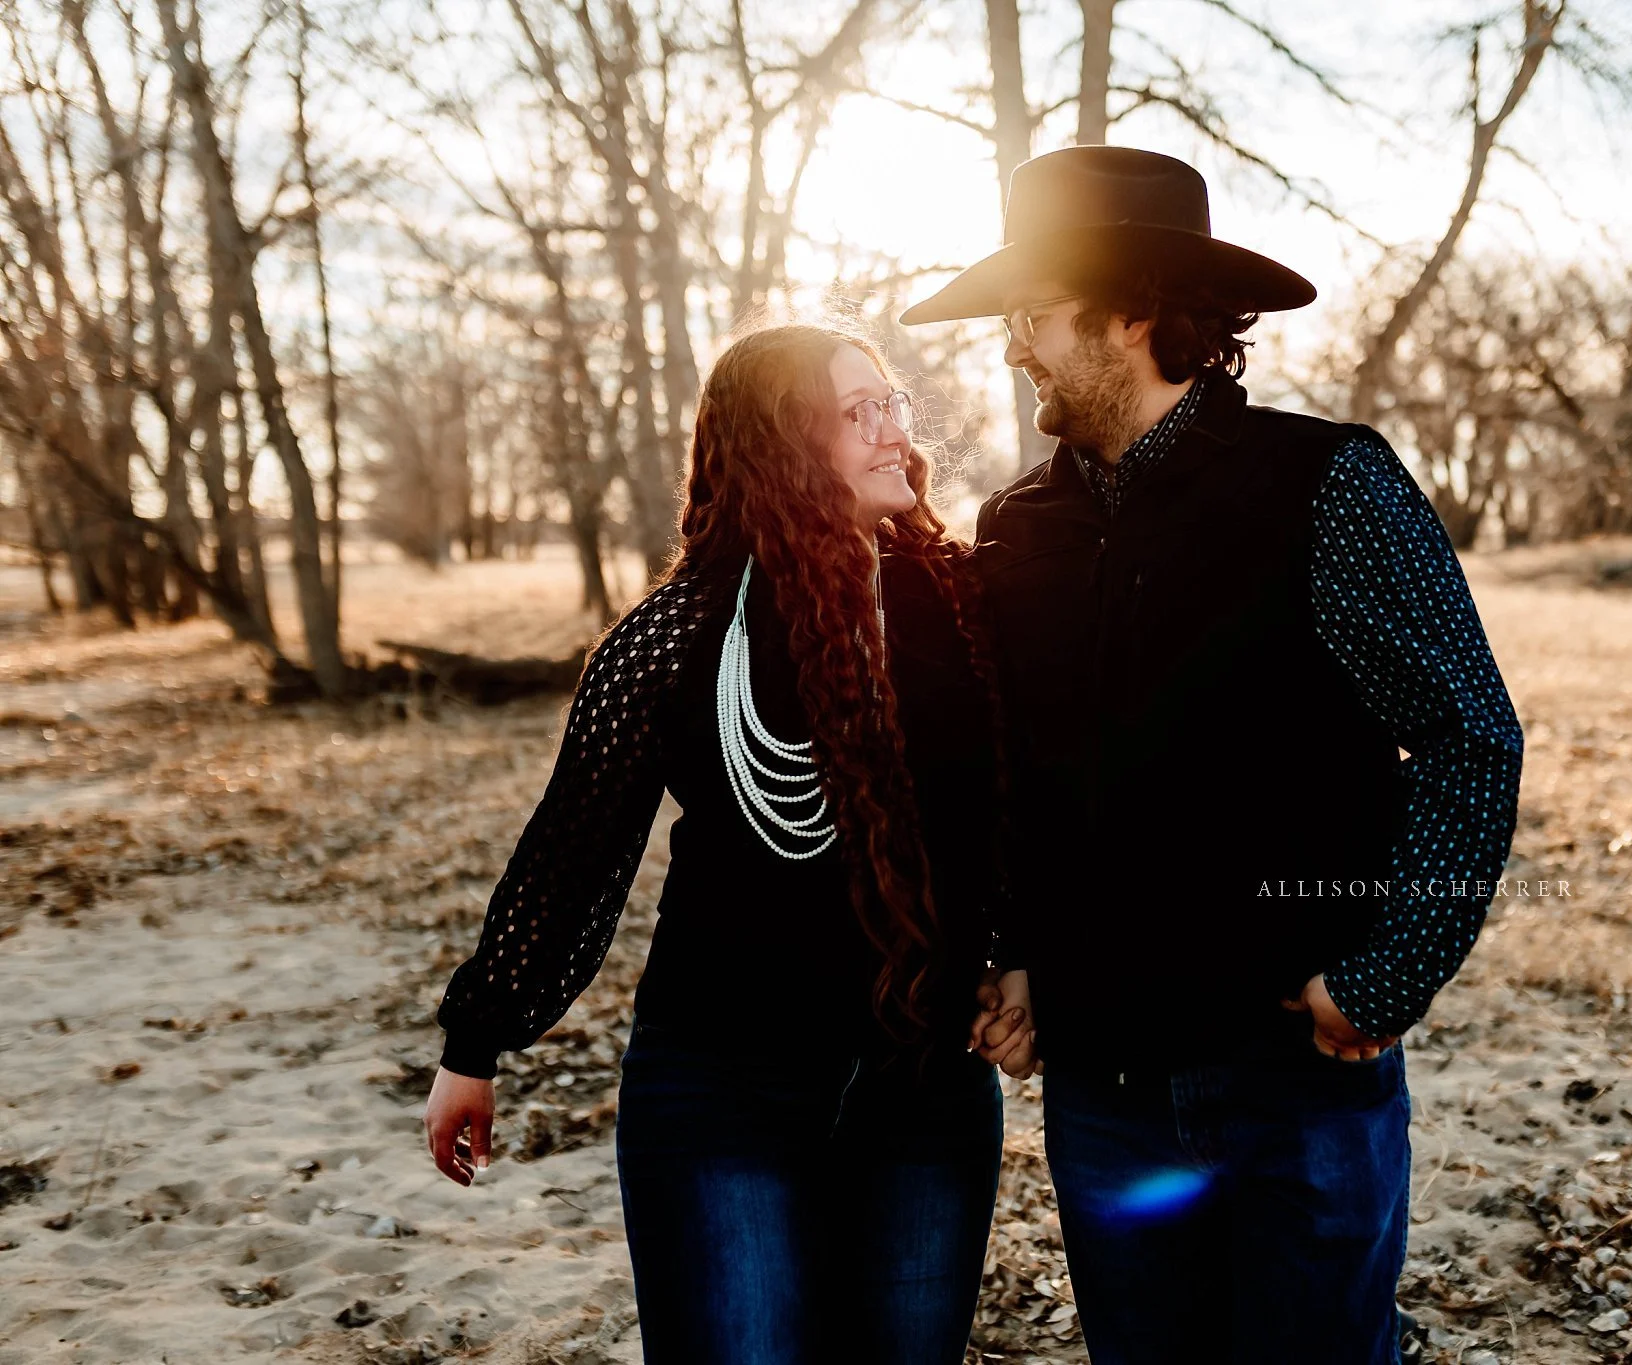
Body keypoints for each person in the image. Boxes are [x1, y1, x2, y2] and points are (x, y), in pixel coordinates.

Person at [899, 146, 1525, 1364]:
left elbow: (1468, 738)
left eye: (1032, 315)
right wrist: (1017, 956)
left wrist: (1389, 974)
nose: (1013, 345)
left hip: (1290, 1077)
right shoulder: (1016, 529)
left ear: (1133, 310)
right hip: (1102, 1093)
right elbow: (1018, 778)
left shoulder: (1324, 485)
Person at [422, 322, 1036, 1364]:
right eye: (858, 412)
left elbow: (1021, 806)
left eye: (890, 403)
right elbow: (574, 849)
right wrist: (477, 1041)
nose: (896, 431)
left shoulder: (966, 605)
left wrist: (1015, 959)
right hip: (721, 1089)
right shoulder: (675, 636)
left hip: (923, 1085)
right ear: (783, 447)